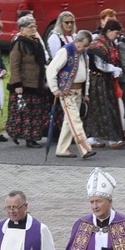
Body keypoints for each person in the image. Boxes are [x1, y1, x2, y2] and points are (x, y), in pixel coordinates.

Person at [47, 30, 95, 159]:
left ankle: (62, 149)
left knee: (69, 122)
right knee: (75, 120)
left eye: (87, 46)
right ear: (77, 41)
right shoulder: (65, 51)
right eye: (84, 45)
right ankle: (85, 148)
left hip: (78, 92)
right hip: (66, 92)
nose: (85, 49)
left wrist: (86, 92)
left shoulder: (84, 54)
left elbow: (86, 74)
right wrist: (54, 88)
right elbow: (51, 69)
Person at [6, 15, 49, 148]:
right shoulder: (19, 43)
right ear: (22, 29)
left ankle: (32, 136)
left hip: (37, 83)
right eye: (31, 27)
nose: (34, 29)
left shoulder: (36, 42)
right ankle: (28, 138)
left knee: (36, 112)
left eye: (35, 26)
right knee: (25, 113)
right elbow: (14, 64)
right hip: (25, 84)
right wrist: (17, 83)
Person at [86, 19, 125, 149]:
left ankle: (100, 137)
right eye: (116, 33)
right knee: (100, 108)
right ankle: (102, 138)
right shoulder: (97, 44)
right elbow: (99, 64)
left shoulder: (109, 43)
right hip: (97, 80)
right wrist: (112, 69)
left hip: (106, 80)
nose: (117, 36)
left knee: (107, 108)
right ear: (108, 31)